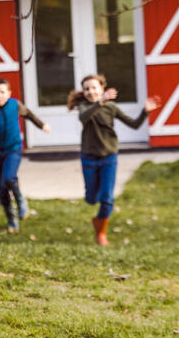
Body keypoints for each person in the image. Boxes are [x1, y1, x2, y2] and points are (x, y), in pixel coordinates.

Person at [67, 74, 161, 246]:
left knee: (107, 198)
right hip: (88, 158)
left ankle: (101, 232)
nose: (91, 91)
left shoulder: (111, 107)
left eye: (94, 88)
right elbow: (84, 117)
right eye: (87, 89)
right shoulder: (84, 107)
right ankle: (96, 214)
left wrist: (145, 112)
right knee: (91, 198)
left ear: (102, 89)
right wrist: (99, 102)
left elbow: (134, 124)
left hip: (109, 157)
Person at [0, 78, 51, 233]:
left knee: (9, 178)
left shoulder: (15, 105)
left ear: (9, 93)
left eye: (2, 92)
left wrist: (42, 125)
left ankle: (20, 200)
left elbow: (30, 115)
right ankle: (11, 218)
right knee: (1, 190)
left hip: (13, 150)